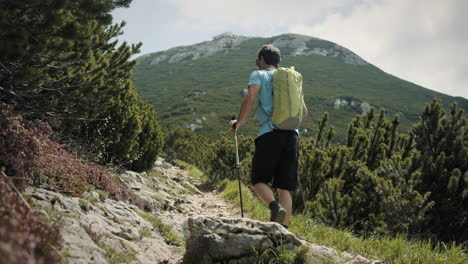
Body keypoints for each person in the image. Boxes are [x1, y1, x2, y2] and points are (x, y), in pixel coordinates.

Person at [229, 44, 308, 228]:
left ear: (263, 60)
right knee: (284, 187)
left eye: (258, 62)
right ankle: (284, 232)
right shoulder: (291, 79)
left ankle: (274, 207)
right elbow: (303, 113)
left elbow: (250, 98)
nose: (258, 65)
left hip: (269, 134)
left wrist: (238, 124)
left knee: (258, 181)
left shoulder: (260, 75)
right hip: (292, 135)